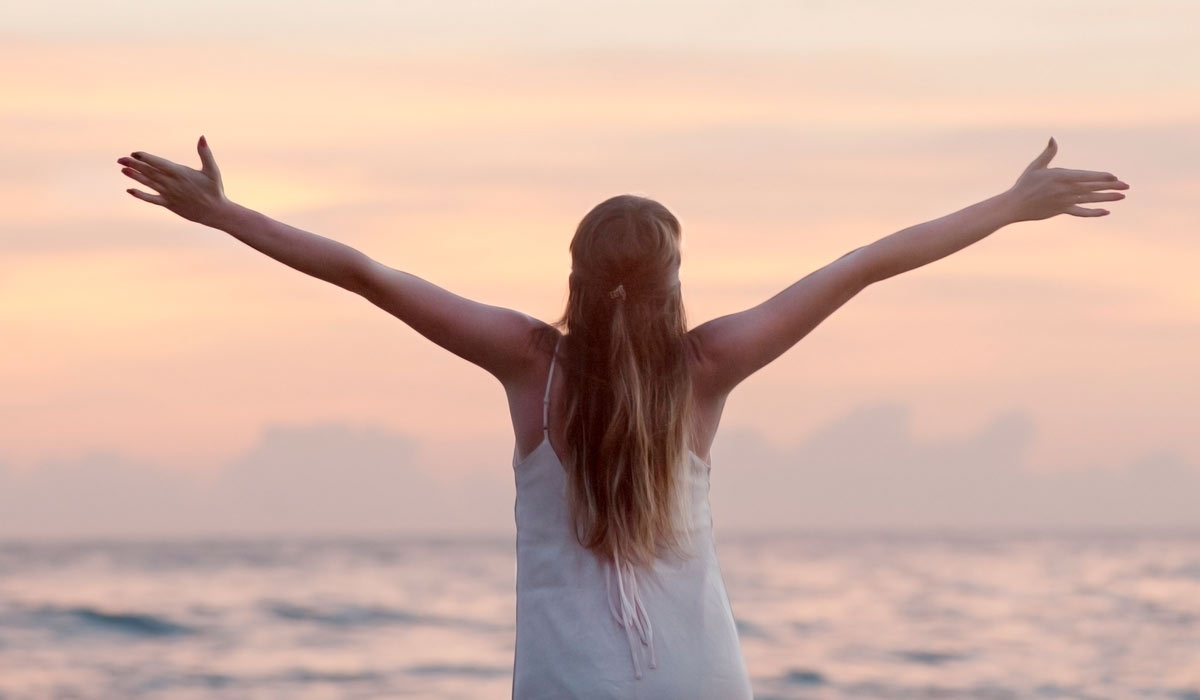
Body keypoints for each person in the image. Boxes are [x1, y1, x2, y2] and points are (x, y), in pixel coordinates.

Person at [117, 136, 1127, 698]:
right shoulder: (710, 364)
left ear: (577, 271)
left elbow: (366, 275)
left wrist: (224, 214)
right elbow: (863, 264)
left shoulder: (527, 363)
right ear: (675, 280)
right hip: (700, 676)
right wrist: (1007, 205)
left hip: (567, 681)